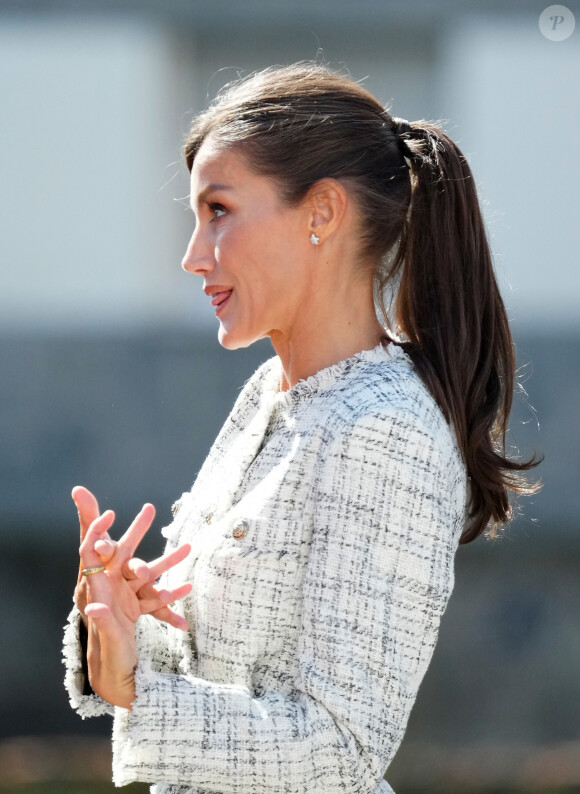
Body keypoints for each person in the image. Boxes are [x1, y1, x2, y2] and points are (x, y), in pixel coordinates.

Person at [63, 62, 542, 793]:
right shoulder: (268, 393)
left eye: (218, 210)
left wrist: (140, 695)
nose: (193, 256)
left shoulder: (388, 430)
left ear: (321, 213)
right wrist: (118, 624)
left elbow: (342, 746)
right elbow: (219, 666)